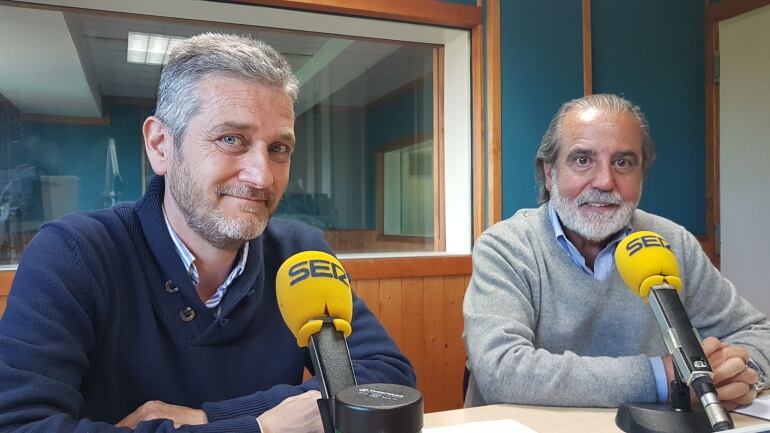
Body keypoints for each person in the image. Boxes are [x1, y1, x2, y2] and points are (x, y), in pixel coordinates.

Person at [0, 33, 415, 432]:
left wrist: (213, 418)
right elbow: (22, 425)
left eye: (278, 148)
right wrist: (261, 428)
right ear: (161, 145)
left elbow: (386, 378)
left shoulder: (299, 253)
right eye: (231, 139)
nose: (261, 176)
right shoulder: (74, 255)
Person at [463, 93, 769, 409]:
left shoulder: (672, 242)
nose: (605, 181)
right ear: (550, 174)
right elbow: (501, 370)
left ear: (641, 175)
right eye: (583, 160)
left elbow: (758, 333)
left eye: (623, 162)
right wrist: (663, 377)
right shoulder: (506, 246)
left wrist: (739, 375)